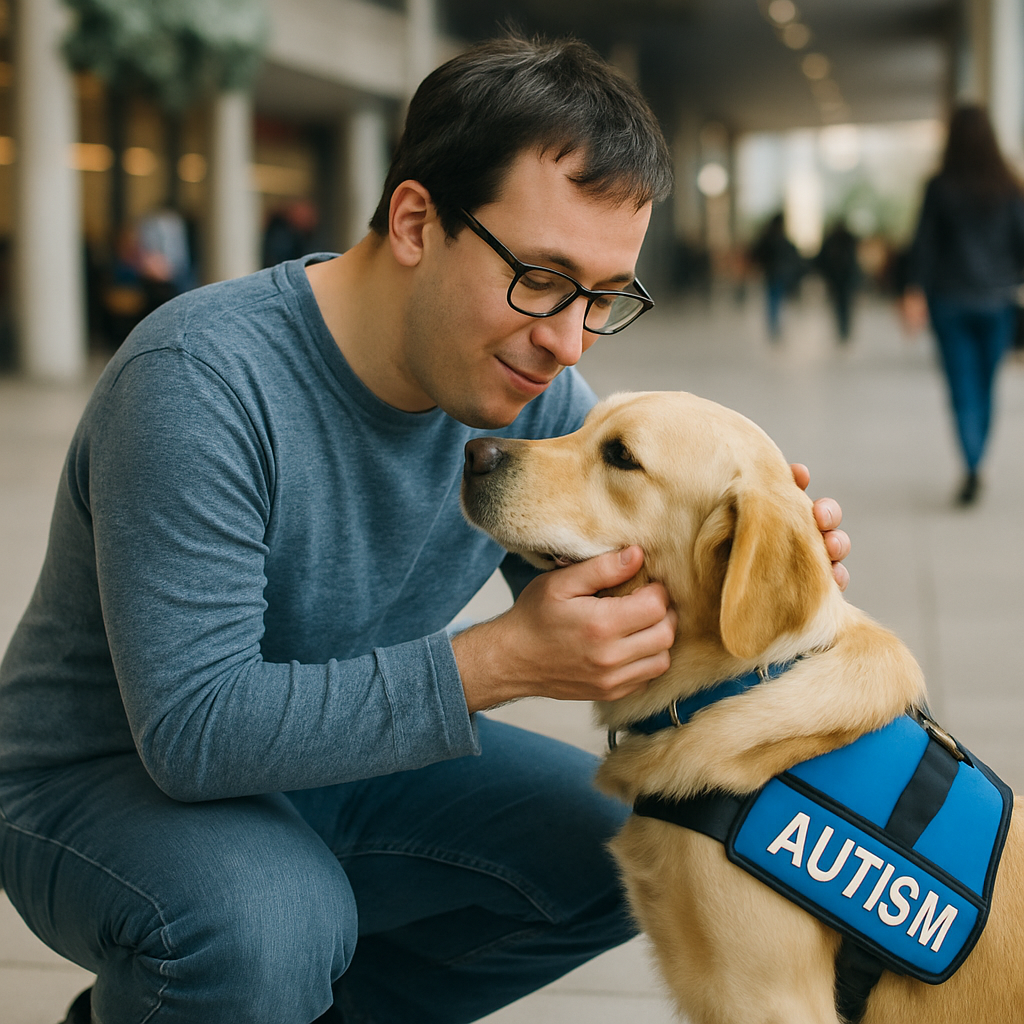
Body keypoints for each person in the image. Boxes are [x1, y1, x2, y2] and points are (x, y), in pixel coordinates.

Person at [0, 35, 850, 1024]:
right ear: (414, 220)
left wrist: (748, 568)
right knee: (268, 920)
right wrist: (496, 663)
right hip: (101, 778)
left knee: (634, 841)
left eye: (602, 297)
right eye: (539, 275)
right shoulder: (199, 381)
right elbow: (192, 734)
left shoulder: (531, 388)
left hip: (336, 756)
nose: (567, 339)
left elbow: (616, 615)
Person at [901, 104, 1024, 506]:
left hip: (949, 301)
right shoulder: (1009, 186)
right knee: (987, 385)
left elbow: (924, 244)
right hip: (997, 301)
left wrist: (914, 291)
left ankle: (971, 464)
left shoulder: (940, 186)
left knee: (962, 388)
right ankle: (976, 459)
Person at [749, 211, 803, 340]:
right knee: (776, 301)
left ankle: (774, 327)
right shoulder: (780, 239)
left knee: (773, 301)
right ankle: (775, 327)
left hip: (772, 274)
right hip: (778, 274)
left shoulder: (768, 237)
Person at [816, 219, 860, 343]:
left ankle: (843, 330)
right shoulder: (847, 240)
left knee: (841, 306)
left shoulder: (836, 241)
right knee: (843, 306)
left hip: (840, 279)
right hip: (840, 279)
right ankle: (843, 330)